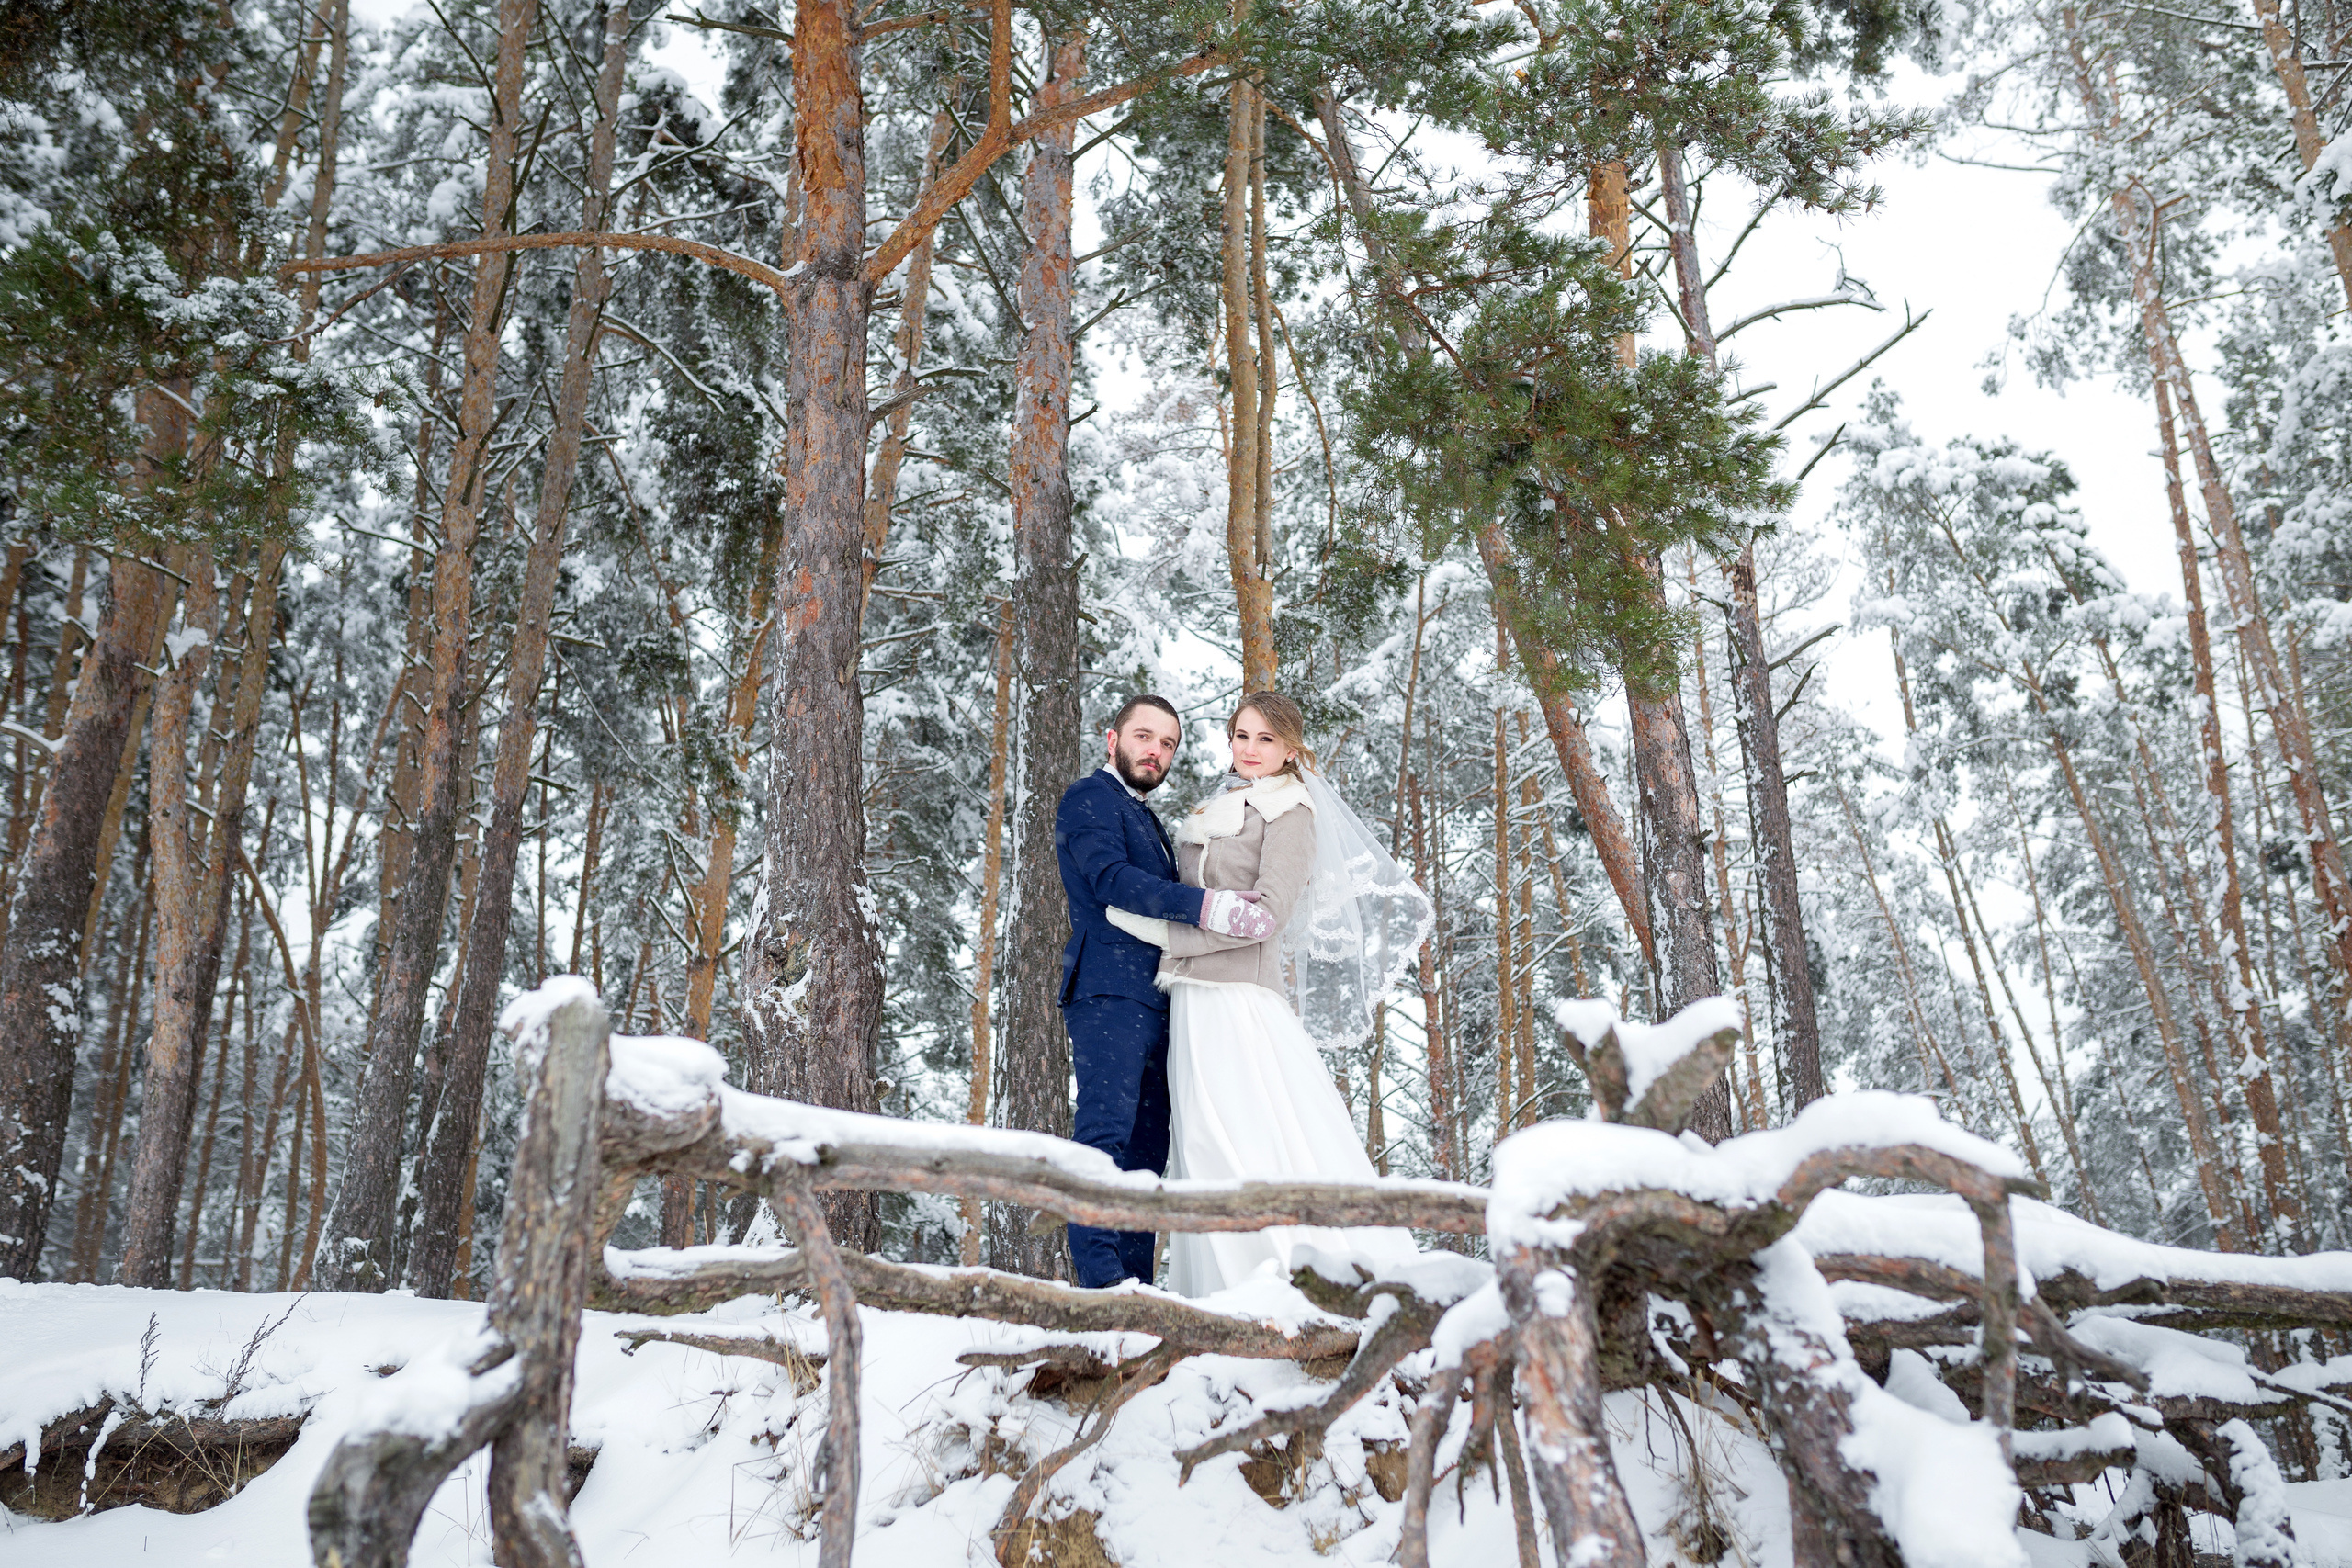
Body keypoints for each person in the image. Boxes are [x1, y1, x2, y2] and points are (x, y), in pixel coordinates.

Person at [1107, 693, 1435, 1296]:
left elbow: (1266, 915)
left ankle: (1290, 1288)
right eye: (1242, 736)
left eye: (1266, 739)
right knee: (1201, 1148)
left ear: (1290, 748)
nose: (1251, 749)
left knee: (1245, 1142)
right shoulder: (1218, 805)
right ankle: (1220, 1304)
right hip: (1192, 1003)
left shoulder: (1292, 810)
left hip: (1240, 1003)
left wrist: (1163, 936)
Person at [1054, 694, 1276, 1289]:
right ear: (1112, 740)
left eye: (1168, 743)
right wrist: (1207, 906)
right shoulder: (1090, 797)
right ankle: (1102, 1287)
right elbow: (1111, 880)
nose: (1155, 750)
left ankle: (1136, 1287)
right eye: (1144, 736)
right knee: (1104, 1136)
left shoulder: (1148, 820)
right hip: (1110, 993)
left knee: (1148, 1152)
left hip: (1161, 1001)